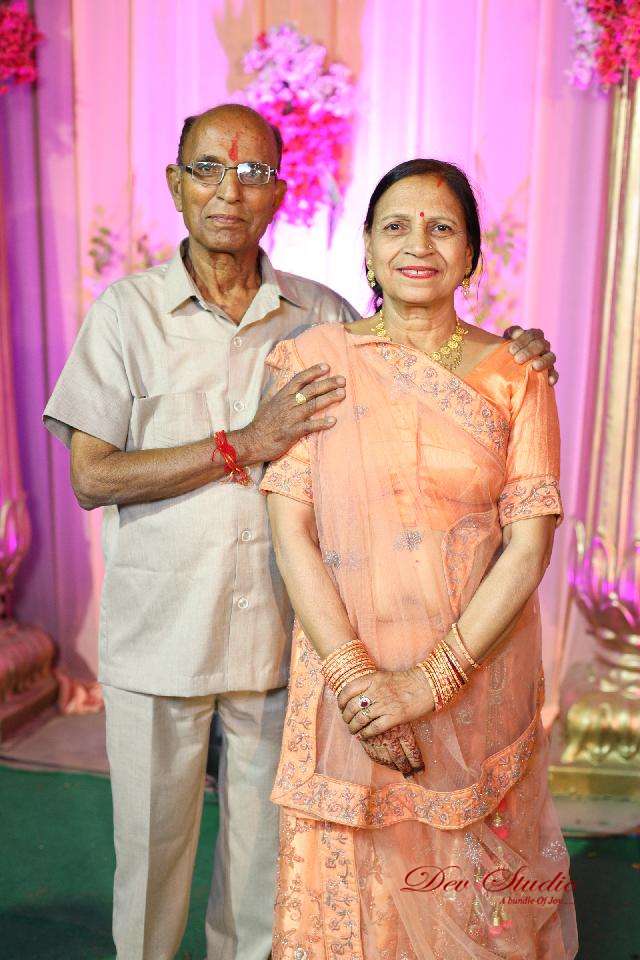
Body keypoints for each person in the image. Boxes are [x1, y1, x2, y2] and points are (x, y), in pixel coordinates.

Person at [42, 101, 559, 960]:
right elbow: (92, 476)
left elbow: (416, 350)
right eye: (208, 170)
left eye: (252, 173)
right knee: (152, 864)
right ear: (175, 184)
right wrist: (243, 444)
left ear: (280, 192)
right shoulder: (126, 314)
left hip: (282, 639)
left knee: (265, 882)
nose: (229, 192)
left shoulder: (318, 316)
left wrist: (519, 352)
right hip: (162, 631)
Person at [261, 159, 578, 959]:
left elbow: (530, 544)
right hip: (350, 684)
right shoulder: (314, 363)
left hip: (473, 683)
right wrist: (359, 683)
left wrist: (426, 684)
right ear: (367, 250)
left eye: (442, 228)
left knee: (475, 914)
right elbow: (291, 531)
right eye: (396, 226)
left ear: (471, 255)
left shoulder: (517, 375)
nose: (418, 244)